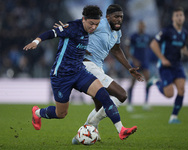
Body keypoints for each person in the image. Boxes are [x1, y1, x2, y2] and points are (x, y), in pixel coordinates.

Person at [23, 5, 138, 140]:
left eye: (96, 24)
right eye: (91, 24)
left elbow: (84, 43)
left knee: (104, 96)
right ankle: (37, 112)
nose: (93, 28)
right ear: (83, 19)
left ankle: (121, 130)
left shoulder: (90, 30)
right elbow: (50, 33)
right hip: (61, 75)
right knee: (61, 113)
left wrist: (85, 51)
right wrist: (36, 41)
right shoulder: (72, 28)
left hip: (80, 72)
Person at [54, 4, 143, 144]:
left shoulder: (116, 32)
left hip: (98, 68)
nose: (119, 19)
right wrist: (65, 28)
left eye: (121, 17)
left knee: (100, 106)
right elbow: (80, 27)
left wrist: (129, 67)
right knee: (121, 95)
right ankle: (103, 127)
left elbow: (116, 50)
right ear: (107, 17)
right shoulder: (99, 24)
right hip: (87, 65)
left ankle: (82, 134)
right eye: (116, 17)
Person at [149, 7, 188, 124]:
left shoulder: (184, 32)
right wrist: (162, 59)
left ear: (183, 17)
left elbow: (182, 47)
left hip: (177, 65)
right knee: (169, 94)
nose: (179, 17)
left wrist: (187, 52)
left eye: (181, 15)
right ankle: (155, 81)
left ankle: (173, 117)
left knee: (182, 89)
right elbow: (153, 44)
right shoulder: (166, 31)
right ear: (173, 18)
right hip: (165, 66)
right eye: (177, 15)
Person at [125, 20, 151, 112]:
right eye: (140, 26)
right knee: (133, 82)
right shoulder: (133, 36)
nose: (141, 27)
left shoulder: (147, 37)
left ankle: (146, 103)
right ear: (138, 26)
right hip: (135, 62)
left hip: (145, 62)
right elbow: (127, 48)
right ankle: (130, 104)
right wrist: (133, 59)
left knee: (148, 81)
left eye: (143, 26)